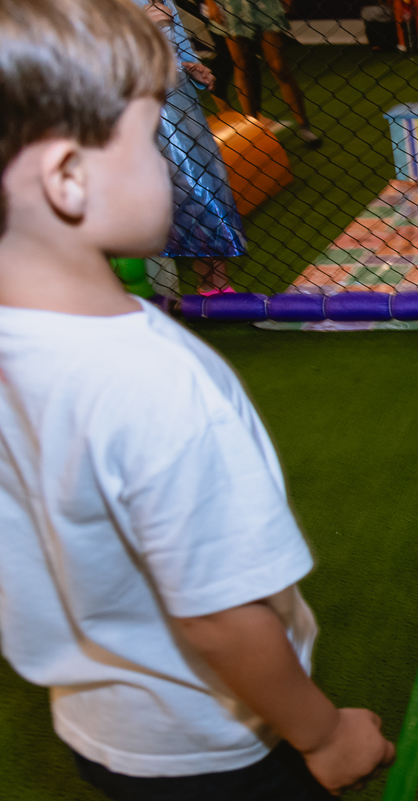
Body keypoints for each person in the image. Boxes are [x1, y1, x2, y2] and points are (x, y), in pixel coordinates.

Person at [0, 1, 394, 798]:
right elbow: (216, 616)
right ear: (68, 179)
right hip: (213, 746)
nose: (179, 157)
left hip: (99, 727)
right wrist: (325, 735)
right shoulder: (151, 384)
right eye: (152, 136)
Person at [138, 0, 245, 295]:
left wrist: (193, 68)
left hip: (181, 101)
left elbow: (180, 50)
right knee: (185, 186)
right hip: (147, 104)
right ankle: (204, 281)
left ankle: (216, 280)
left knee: (209, 180)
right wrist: (141, 29)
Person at [205, 0, 322, 146]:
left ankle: (305, 128)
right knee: (242, 66)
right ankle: (253, 131)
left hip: (265, 4)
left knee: (279, 67)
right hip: (230, 5)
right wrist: (210, 3)